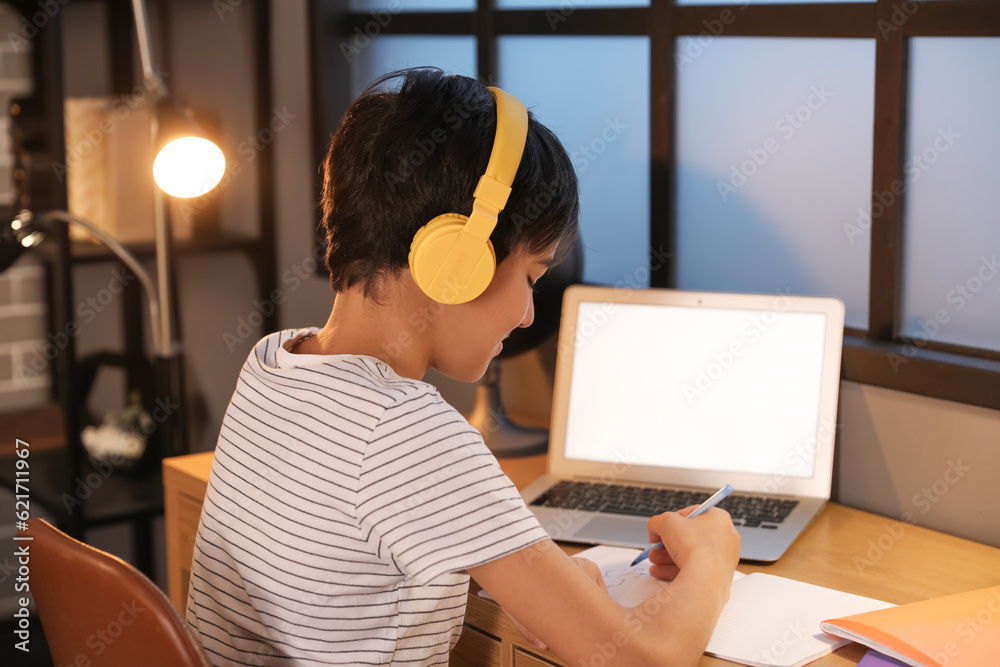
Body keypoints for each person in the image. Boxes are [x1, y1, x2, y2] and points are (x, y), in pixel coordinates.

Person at [185, 67, 740, 667]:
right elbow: (640, 661)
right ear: (459, 260)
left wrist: (541, 583)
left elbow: (344, 554)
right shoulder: (410, 432)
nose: (529, 315)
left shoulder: (273, 362)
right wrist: (712, 562)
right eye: (532, 276)